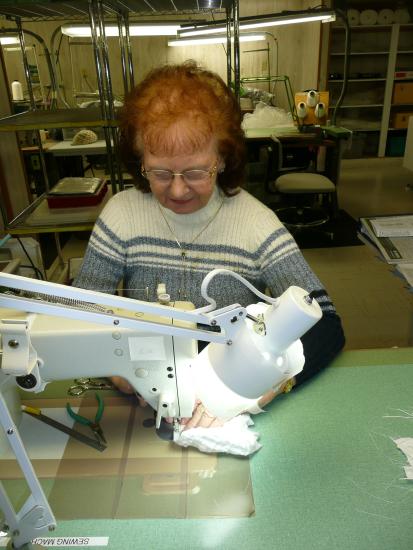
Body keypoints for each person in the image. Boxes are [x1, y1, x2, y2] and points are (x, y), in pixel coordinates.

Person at [74, 60, 345, 428]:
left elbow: (326, 323)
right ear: (139, 159)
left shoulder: (255, 224)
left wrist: (279, 383)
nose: (178, 189)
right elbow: (80, 312)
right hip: (143, 403)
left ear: (223, 157)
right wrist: (114, 366)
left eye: (196, 172)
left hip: (228, 404)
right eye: (160, 172)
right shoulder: (121, 216)